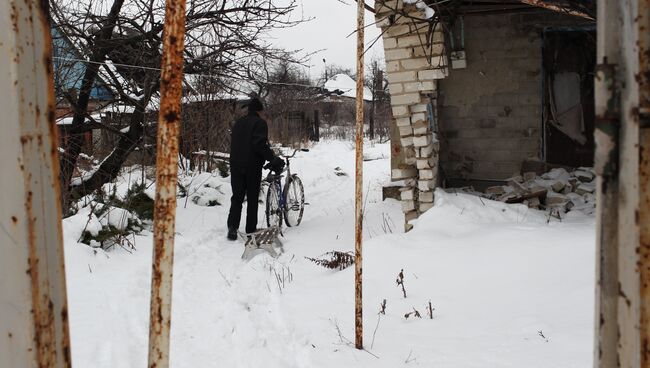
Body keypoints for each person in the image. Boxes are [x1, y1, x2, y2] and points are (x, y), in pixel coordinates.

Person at [226, 97, 284, 240]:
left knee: (237, 197)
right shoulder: (260, 123)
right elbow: (259, 145)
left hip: (235, 164)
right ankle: (251, 229)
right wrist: (273, 158)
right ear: (260, 110)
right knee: (252, 198)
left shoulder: (238, 123)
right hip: (252, 166)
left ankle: (232, 228)